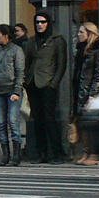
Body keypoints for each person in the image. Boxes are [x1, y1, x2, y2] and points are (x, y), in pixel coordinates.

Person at [0, 24, 26, 166]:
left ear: (5, 35)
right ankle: (5, 155)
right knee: (1, 123)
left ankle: (16, 155)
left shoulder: (16, 51)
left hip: (11, 91)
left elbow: (20, 73)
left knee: (13, 122)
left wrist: (17, 91)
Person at [29, 12, 66, 163]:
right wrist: (26, 80)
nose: (40, 25)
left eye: (43, 22)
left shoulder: (57, 40)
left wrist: (53, 84)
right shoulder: (32, 41)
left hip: (47, 84)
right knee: (37, 120)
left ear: (48, 23)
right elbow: (28, 61)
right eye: (37, 22)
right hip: (33, 83)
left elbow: (61, 64)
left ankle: (58, 153)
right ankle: (41, 153)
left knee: (49, 119)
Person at [73, 21, 99, 164]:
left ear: (90, 33)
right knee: (83, 123)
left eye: (81, 32)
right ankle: (86, 153)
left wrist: (93, 94)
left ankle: (94, 155)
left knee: (92, 124)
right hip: (81, 90)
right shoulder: (82, 50)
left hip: (92, 92)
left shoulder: (98, 50)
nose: (78, 35)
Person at [11, 22, 34, 158]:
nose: (16, 33)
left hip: (22, 82)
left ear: (24, 31)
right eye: (14, 31)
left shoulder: (23, 45)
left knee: (23, 109)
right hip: (21, 81)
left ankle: (24, 136)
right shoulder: (19, 44)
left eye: (18, 31)